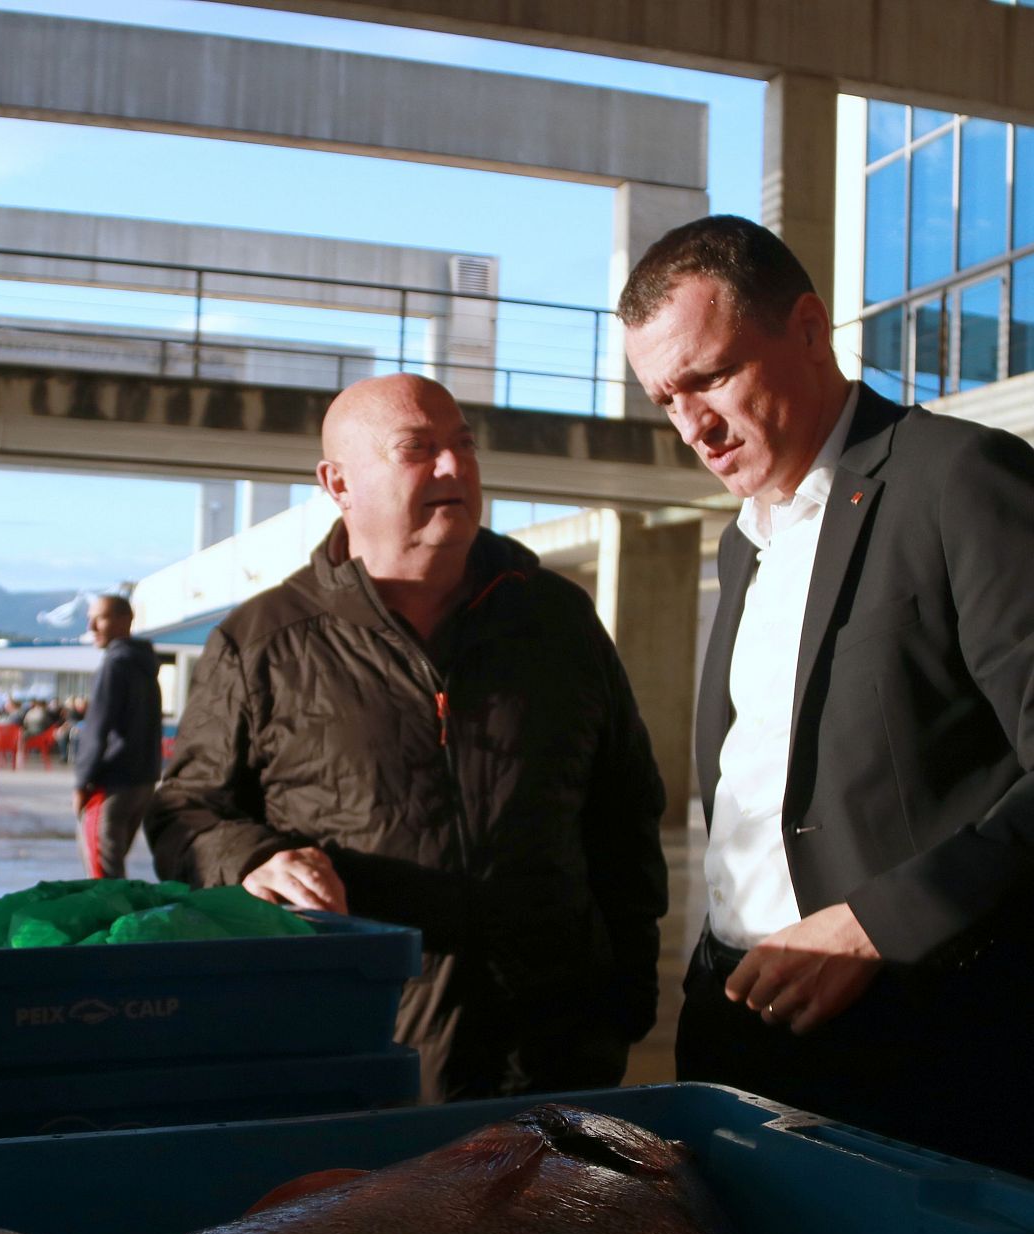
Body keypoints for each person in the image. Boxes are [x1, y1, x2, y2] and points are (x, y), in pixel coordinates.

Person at [619, 214, 1034, 1175]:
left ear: (809, 328)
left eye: (710, 376)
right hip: (737, 1039)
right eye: (666, 399)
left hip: (920, 1060)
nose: (694, 427)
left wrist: (881, 923)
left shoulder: (958, 481)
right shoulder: (743, 538)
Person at [145, 372, 668, 1104]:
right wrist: (253, 858)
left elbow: (624, 813)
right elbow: (184, 811)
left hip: (556, 1061)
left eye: (463, 446)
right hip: (361, 1054)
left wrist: (626, 996)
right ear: (338, 482)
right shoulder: (264, 640)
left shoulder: (556, 619)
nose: (454, 468)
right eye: (417, 450)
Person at [73, 594, 162, 879]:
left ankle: (111, 922)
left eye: (99, 618)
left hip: (112, 781)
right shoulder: (145, 662)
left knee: (103, 874)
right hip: (142, 780)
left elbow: (98, 724)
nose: (91, 627)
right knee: (113, 864)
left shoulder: (115, 663)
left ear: (125, 620)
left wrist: (82, 781)